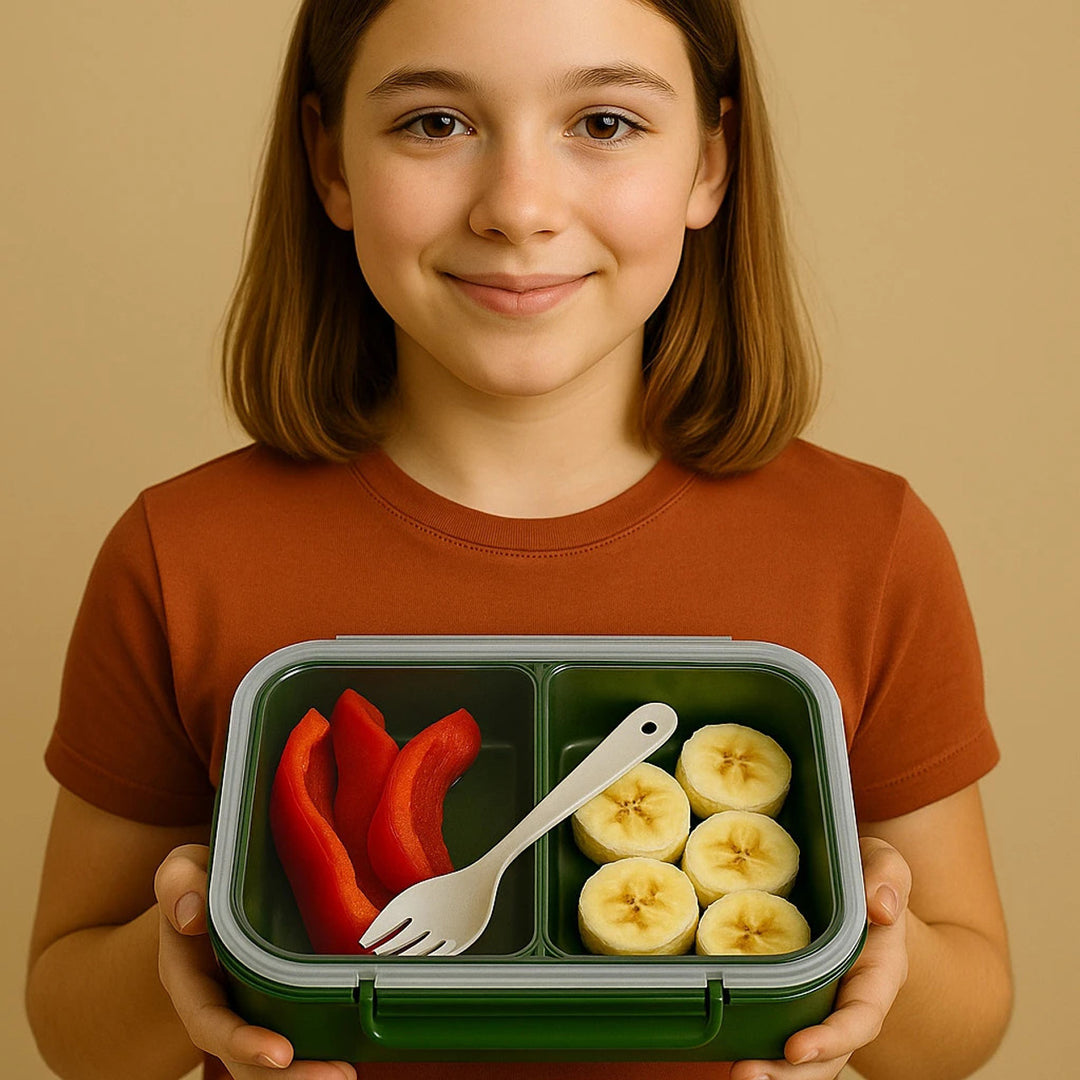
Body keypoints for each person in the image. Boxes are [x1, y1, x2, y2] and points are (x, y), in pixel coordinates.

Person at [24, 1, 1013, 1078]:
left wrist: (878, 941)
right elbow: (75, 1034)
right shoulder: (183, 551)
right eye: (436, 124)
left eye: (604, 124)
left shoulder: (867, 546)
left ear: (709, 165)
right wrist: (187, 945)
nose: (520, 207)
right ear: (330, 162)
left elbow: (962, 1030)